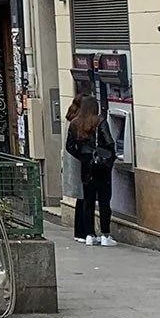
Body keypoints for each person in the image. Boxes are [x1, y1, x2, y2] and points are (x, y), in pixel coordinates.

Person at [67, 95, 117, 247]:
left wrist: (83, 156)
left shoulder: (75, 123)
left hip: (86, 166)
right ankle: (105, 235)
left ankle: (89, 235)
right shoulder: (100, 120)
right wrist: (109, 158)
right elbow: (109, 141)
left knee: (88, 201)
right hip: (101, 166)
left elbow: (70, 146)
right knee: (104, 201)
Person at [62, 94, 87, 238]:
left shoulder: (70, 116)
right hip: (79, 163)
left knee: (80, 198)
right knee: (84, 198)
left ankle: (78, 232)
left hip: (73, 162)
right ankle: (82, 232)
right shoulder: (78, 120)